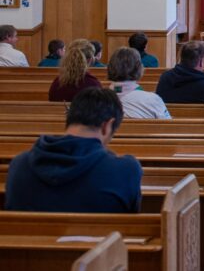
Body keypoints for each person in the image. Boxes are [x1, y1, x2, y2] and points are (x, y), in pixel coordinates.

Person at [5, 87, 142, 213]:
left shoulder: (19, 165)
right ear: (107, 126)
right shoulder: (126, 170)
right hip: (99, 240)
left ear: (70, 117)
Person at [108, 47, 171, 119]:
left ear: (110, 67)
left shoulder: (97, 101)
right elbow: (170, 127)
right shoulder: (152, 100)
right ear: (139, 68)